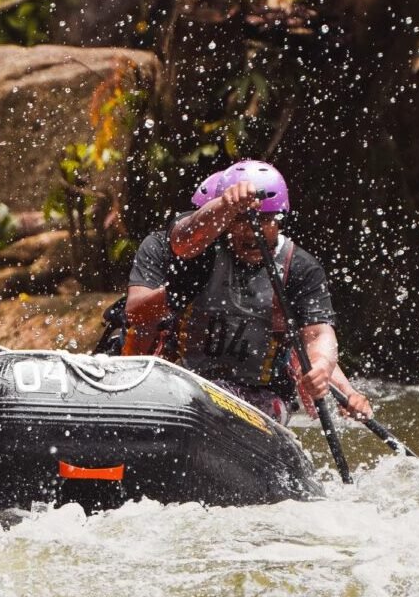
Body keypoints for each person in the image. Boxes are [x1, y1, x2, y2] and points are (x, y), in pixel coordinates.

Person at [126, 159, 372, 424]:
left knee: (231, 396)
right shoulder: (199, 254)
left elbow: (317, 335)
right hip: (187, 383)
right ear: (224, 222)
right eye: (239, 220)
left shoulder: (300, 268)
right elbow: (183, 242)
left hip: (261, 393)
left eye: (266, 220)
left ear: (280, 220)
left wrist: (323, 369)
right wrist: (225, 205)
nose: (252, 231)